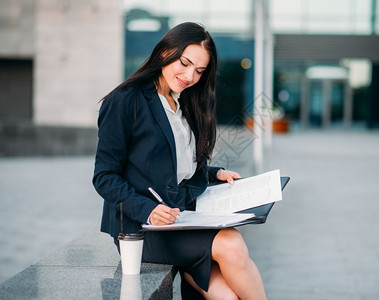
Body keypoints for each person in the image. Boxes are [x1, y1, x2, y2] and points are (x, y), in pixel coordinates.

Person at [92, 22, 266, 299]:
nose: (189, 76)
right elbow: (104, 177)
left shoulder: (184, 102)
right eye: (184, 63)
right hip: (143, 228)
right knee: (231, 243)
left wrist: (214, 173)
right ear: (166, 51)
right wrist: (148, 209)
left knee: (228, 296)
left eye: (199, 71)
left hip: (183, 219)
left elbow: (169, 163)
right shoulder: (125, 101)